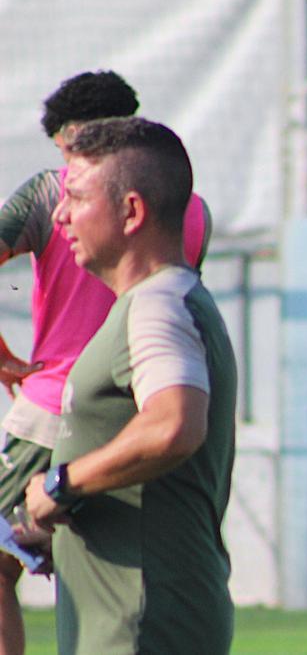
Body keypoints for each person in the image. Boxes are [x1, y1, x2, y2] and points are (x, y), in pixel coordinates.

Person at [0, 71, 210, 655]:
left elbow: (172, 423)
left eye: (76, 171)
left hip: (57, 407)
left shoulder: (48, 193)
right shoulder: (191, 209)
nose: (67, 207)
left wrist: (6, 361)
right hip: (140, 401)